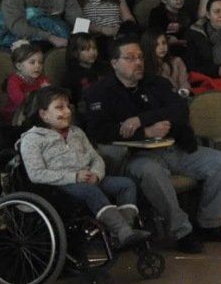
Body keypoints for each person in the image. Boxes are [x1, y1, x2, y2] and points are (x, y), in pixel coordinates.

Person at [81, 35, 221, 251]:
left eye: (140, 57)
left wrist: (140, 120)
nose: (138, 62)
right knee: (152, 172)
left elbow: (180, 109)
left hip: (172, 147)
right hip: (133, 156)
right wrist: (144, 132)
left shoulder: (156, 82)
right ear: (115, 63)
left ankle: (209, 224)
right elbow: (98, 131)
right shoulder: (99, 92)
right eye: (130, 58)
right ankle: (182, 231)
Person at [19, 86, 149, 248]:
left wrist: (96, 174)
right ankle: (123, 231)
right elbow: (36, 174)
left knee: (126, 184)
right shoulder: (32, 139)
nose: (67, 111)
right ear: (44, 114)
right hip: (60, 186)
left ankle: (123, 233)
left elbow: (96, 158)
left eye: (68, 106)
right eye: (59, 107)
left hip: (88, 179)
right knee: (89, 190)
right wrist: (74, 177)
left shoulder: (76, 132)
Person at [3, 41, 50, 124]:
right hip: (14, 116)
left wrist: (48, 90)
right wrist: (39, 93)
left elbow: (49, 97)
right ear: (19, 66)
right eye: (32, 62)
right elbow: (19, 100)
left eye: (40, 62)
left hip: (36, 113)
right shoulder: (13, 81)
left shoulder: (42, 79)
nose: (37, 66)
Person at [150, 26, 192, 97]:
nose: (162, 47)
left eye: (164, 43)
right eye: (156, 44)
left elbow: (185, 84)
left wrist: (179, 96)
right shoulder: (146, 66)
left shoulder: (177, 61)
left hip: (179, 98)